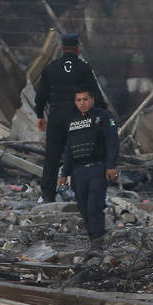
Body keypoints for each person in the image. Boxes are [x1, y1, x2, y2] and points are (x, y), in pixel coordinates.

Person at [34, 33, 106, 202]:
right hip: (76, 117)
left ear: (61, 49)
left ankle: (48, 194)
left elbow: (41, 95)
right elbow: (96, 94)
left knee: (52, 155)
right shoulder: (83, 68)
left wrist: (39, 116)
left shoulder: (51, 68)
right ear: (77, 49)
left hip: (56, 117)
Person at [58, 90, 120, 252]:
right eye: (78, 100)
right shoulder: (73, 121)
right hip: (78, 172)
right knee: (83, 207)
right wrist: (64, 174)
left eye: (85, 99)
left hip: (97, 169)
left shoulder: (104, 117)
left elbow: (113, 142)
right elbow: (69, 149)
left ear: (92, 100)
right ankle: (94, 237)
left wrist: (111, 166)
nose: (82, 103)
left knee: (94, 205)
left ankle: (98, 239)